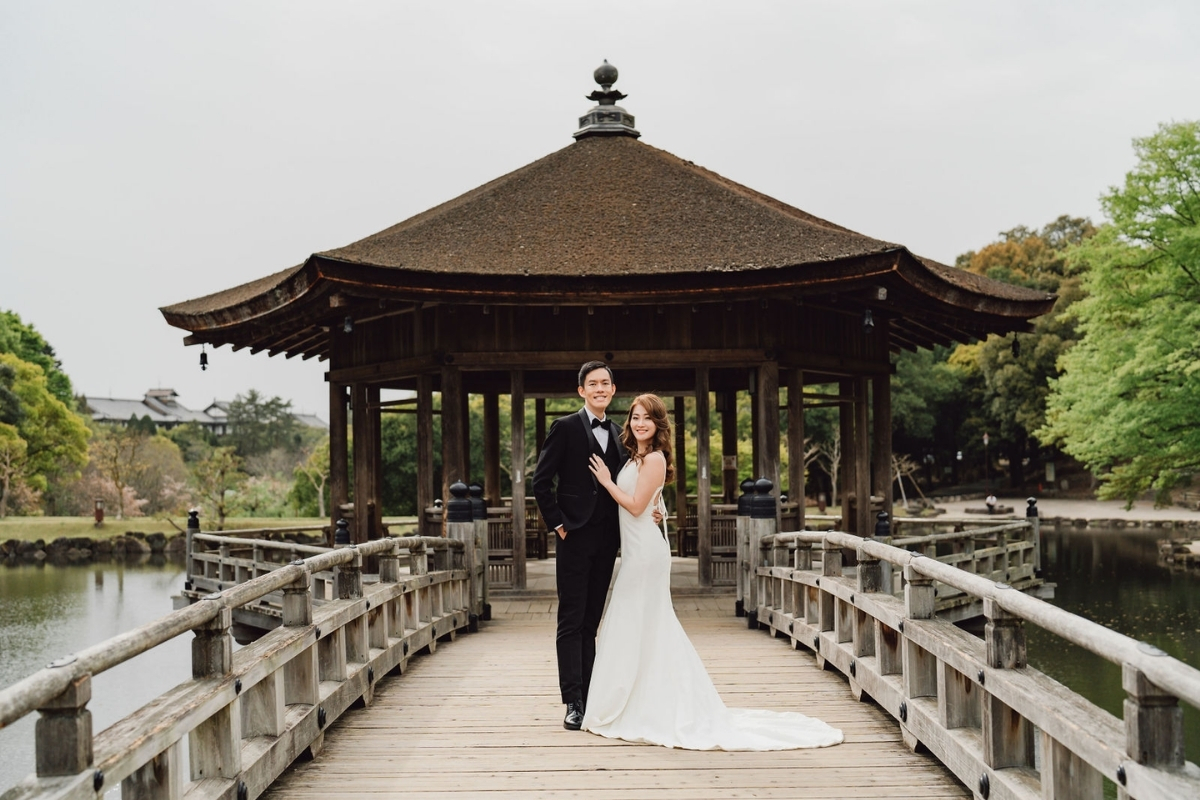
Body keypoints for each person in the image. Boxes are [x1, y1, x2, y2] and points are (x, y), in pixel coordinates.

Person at [581, 393, 843, 751]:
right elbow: (652, 503)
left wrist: (608, 482)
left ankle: (649, 702)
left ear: (659, 425)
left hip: (646, 556)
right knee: (639, 623)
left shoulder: (654, 458)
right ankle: (638, 697)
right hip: (637, 551)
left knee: (642, 620)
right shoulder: (637, 457)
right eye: (635, 417)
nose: (639, 423)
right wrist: (659, 509)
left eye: (647, 418)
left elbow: (636, 503)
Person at [533, 361, 629, 730]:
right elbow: (541, 481)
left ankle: (591, 695)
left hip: (608, 540)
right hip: (573, 535)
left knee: (592, 620)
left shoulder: (620, 433)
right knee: (571, 620)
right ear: (581, 391)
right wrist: (557, 523)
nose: (600, 388)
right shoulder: (566, 427)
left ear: (613, 389)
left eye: (605, 383)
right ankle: (573, 700)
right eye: (593, 384)